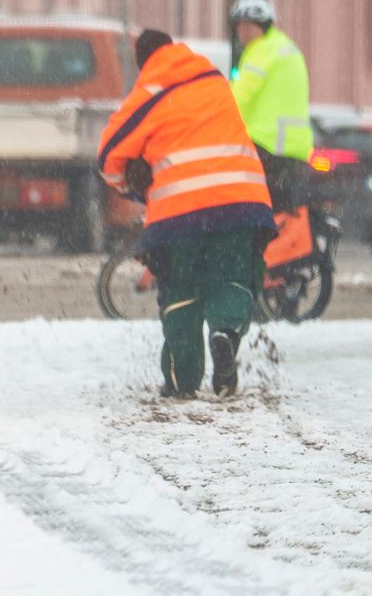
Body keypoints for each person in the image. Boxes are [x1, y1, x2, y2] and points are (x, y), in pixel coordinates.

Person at [100, 31, 277, 396]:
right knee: (233, 277)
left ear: (141, 60)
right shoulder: (213, 80)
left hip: (180, 213)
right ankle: (225, 333)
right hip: (241, 200)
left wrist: (133, 187)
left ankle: (182, 379)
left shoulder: (150, 93)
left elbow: (108, 156)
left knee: (182, 291)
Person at [228, 0, 314, 211]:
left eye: (249, 26)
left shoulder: (261, 51)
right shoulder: (286, 47)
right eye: (240, 27)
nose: (243, 32)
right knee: (283, 215)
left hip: (267, 145)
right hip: (295, 149)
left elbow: (238, 98)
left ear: (263, 27)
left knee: (254, 212)